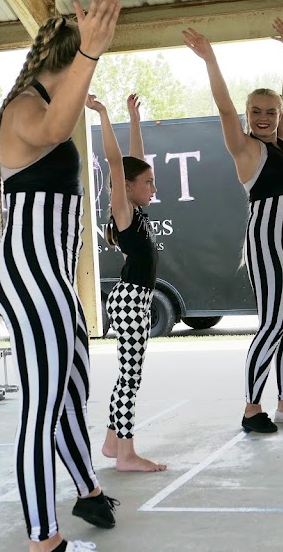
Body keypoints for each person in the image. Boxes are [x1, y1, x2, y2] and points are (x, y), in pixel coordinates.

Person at [0, 0, 121, 552]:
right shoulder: (25, 107)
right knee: (40, 413)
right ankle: (44, 538)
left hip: (51, 276)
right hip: (30, 276)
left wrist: (88, 55)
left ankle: (88, 490)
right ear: (67, 58)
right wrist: (92, 52)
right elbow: (56, 129)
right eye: (80, 62)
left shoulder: (44, 102)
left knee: (71, 394)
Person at [182, 19, 283, 434]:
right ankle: (251, 409)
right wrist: (210, 59)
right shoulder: (245, 148)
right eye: (256, 111)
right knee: (273, 324)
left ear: (280, 115)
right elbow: (224, 107)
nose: (264, 117)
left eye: (271, 111)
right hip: (267, 244)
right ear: (248, 114)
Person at [86, 93, 167, 473]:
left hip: (135, 300)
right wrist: (103, 113)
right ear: (128, 187)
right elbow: (118, 164)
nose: (154, 188)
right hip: (130, 301)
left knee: (127, 376)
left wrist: (134, 119)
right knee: (129, 379)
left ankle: (110, 442)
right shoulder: (124, 213)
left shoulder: (134, 209)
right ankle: (126, 454)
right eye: (149, 183)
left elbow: (133, 161)